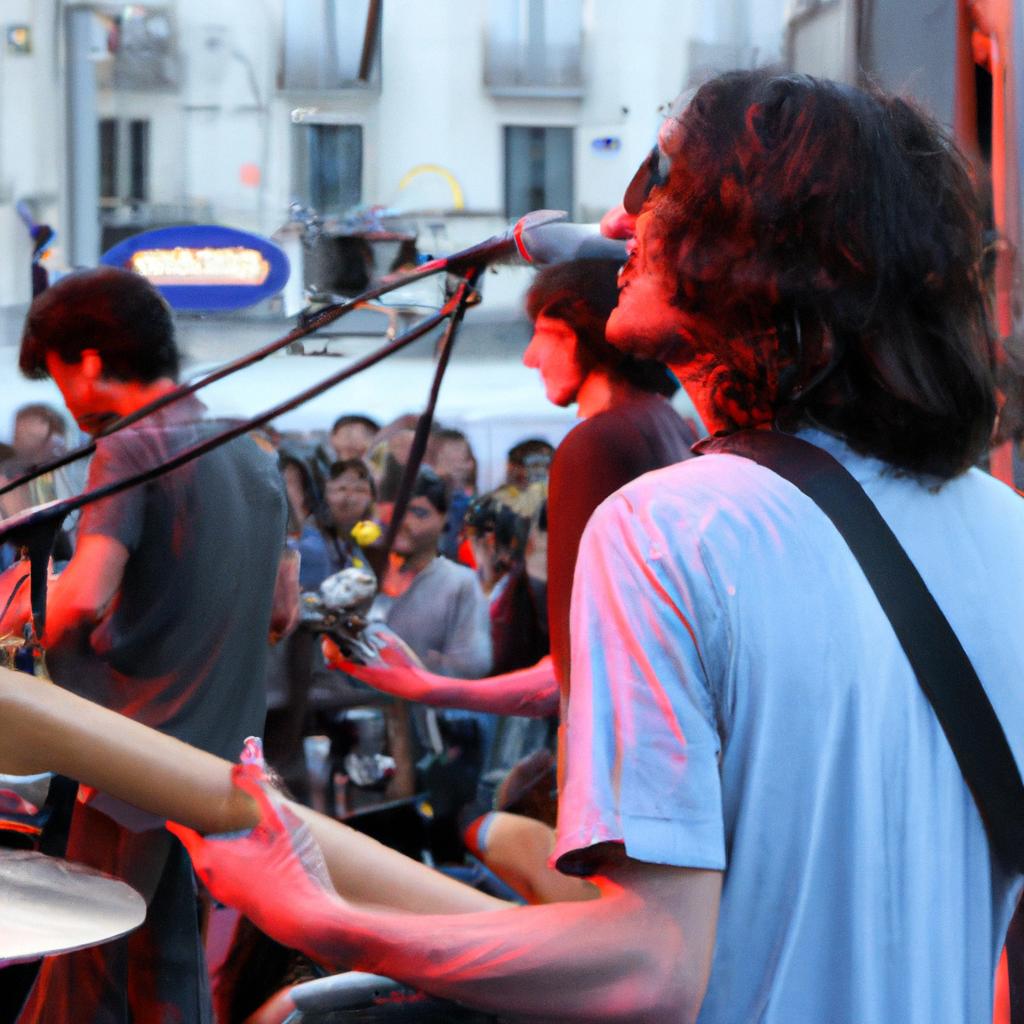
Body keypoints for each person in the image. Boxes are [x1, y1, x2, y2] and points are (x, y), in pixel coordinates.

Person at [171, 71, 1023, 1023]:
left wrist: (321, 916)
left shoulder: (672, 529)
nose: (620, 225)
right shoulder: (1008, 533)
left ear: (762, 238)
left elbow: (648, 966)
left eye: (656, 181)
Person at [0, 266, 288, 1024]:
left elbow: (83, 602)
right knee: (163, 975)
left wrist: (39, 617)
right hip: (219, 763)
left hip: (135, 760)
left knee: (86, 985)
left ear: (91, 360)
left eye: (62, 374)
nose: (66, 399)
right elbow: (282, 613)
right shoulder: (253, 454)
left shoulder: (133, 443)